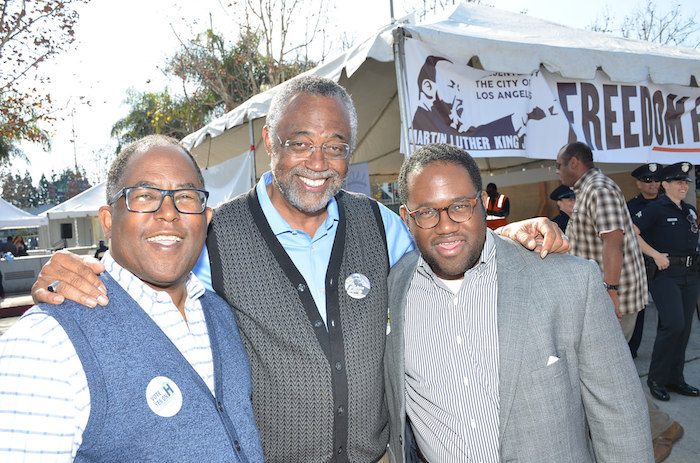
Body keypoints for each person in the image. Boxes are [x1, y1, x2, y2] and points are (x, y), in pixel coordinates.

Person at [32, 76, 567, 463]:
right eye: (300, 144)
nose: (318, 163)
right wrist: (80, 269)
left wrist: (502, 237)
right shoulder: (213, 235)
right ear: (270, 142)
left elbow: (446, 257)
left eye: (335, 147)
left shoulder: (379, 223)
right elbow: (148, 266)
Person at [0, 136, 263, 462]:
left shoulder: (221, 314)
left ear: (206, 219)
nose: (168, 212)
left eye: (185, 197)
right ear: (108, 221)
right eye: (145, 195)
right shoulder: (46, 344)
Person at [385, 143, 652, 462]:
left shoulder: (569, 281)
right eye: (426, 211)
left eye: (460, 206)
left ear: (483, 204)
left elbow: (619, 415)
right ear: (406, 217)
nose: (445, 226)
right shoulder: (394, 287)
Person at [556, 141, 682, 462]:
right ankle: (662, 427)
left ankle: (653, 434)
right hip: (605, 296)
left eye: (559, 166)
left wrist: (610, 292)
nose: (556, 172)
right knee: (614, 373)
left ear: (574, 163)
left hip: (614, 297)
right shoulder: (589, 190)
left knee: (611, 378)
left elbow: (613, 241)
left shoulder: (598, 188)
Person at [634, 162, 700, 402]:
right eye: (678, 182)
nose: (683, 186)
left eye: (685, 182)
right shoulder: (656, 208)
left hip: (690, 274)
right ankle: (656, 379)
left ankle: (675, 378)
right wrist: (655, 254)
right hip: (665, 275)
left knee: (683, 329)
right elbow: (631, 232)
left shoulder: (689, 210)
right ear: (665, 184)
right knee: (672, 324)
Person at [627, 162, 663, 359]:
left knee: (668, 312)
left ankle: (665, 349)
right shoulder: (630, 207)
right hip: (639, 263)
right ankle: (632, 348)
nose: (653, 184)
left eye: (657, 180)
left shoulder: (668, 204)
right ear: (639, 184)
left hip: (664, 264)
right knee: (638, 307)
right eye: (648, 180)